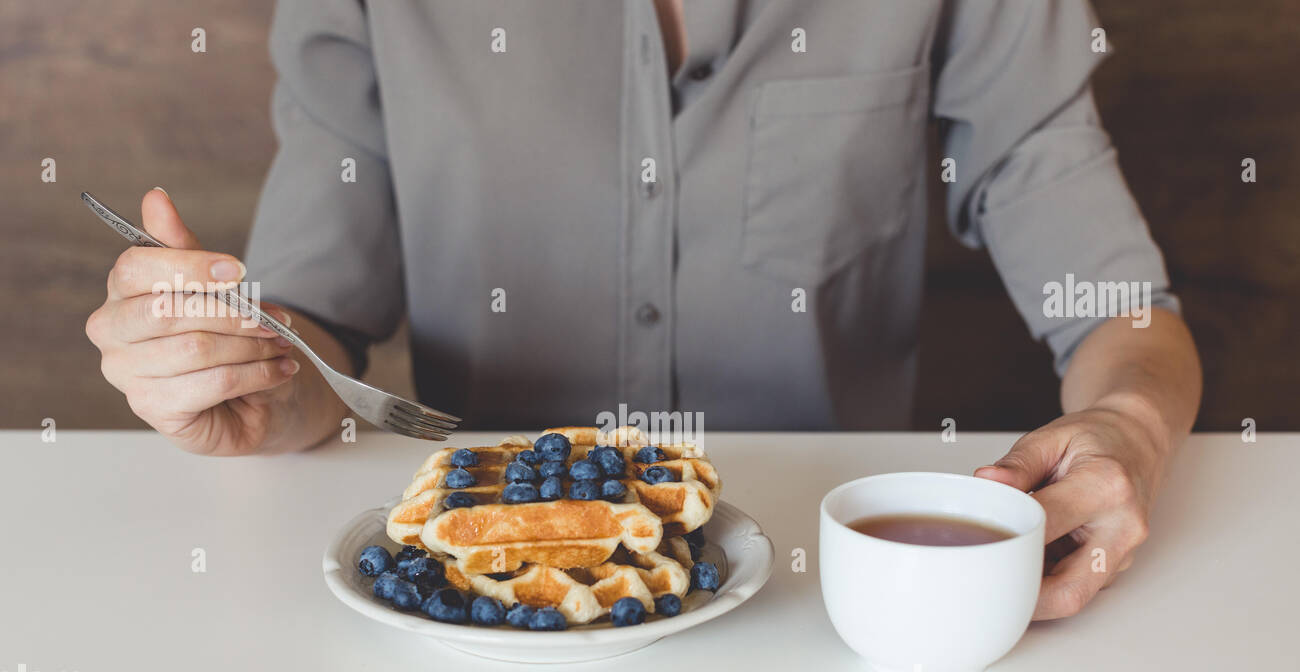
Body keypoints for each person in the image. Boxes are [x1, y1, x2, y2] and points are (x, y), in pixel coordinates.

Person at [84, 0, 1201, 620]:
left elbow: (1114, 309)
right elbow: (314, 336)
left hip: (821, 613)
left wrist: (1132, 429)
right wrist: (239, 376)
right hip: (477, 633)